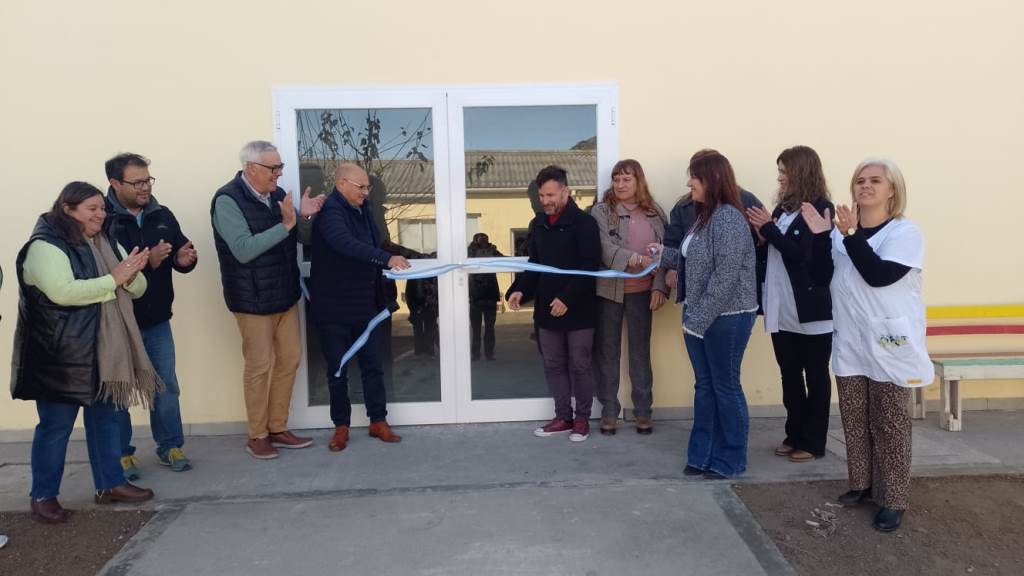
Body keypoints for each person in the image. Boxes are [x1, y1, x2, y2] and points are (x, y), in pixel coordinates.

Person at [11, 182, 159, 523]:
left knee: (106, 419)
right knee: (55, 427)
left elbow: (137, 287)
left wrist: (129, 275)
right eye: (92, 209)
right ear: (68, 209)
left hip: (103, 350)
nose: (101, 214)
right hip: (60, 355)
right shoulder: (45, 246)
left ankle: (110, 484)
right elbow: (63, 292)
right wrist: (115, 279)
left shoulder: (104, 240)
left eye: (102, 208)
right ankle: (43, 495)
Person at [801, 158, 932, 532]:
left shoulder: (905, 233)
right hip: (851, 339)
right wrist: (820, 236)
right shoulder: (841, 234)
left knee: (889, 422)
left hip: (889, 339)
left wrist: (850, 235)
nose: (865, 186)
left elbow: (878, 275)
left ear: (892, 190)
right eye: (859, 180)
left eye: (875, 180)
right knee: (855, 418)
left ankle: (893, 498)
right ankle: (862, 483)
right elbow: (819, 277)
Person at [211, 140, 324, 459]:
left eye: (280, 167)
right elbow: (244, 249)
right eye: (273, 168)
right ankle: (257, 435)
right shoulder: (227, 200)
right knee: (259, 367)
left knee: (290, 359)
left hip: (285, 294)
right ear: (251, 168)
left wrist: (304, 218)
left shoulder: (276, 195)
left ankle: (277, 428)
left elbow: (300, 238)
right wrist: (287, 224)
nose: (278, 174)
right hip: (252, 299)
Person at [653, 150, 758, 479]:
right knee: (705, 387)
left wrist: (697, 322)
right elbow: (696, 260)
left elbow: (725, 276)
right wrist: (662, 254)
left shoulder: (728, 218)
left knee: (725, 388)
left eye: (695, 178)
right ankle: (701, 456)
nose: (689, 183)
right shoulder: (704, 216)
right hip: (700, 316)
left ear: (712, 180)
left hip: (726, 317)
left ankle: (731, 459)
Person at [104, 153, 198, 476]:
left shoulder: (162, 215)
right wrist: (149, 261)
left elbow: (180, 250)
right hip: (118, 322)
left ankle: (170, 446)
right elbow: (107, 272)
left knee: (166, 386)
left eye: (148, 180)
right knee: (119, 390)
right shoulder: (103, 220)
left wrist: (184, 260)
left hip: (157, 320)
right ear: (115, 183)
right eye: (137, 182)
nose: (145, 187)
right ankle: (120, 455)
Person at [310, 162, 411, 452]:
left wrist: (402, 255)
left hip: (366, 305)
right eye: (361, 187)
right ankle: (341, 427)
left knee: (372, 366)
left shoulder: (363, 210)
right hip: (334, 306)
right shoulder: (330, 211)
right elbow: (345, 244)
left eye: (368, 187)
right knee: (338, 369)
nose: (366, 193)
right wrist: (385, 259)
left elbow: (376, 243)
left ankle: (378, 421)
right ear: (341, 184)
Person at [745, 146, 835, 462]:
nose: (780, 179)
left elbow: (802, 256)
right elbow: (775, 251)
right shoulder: (783, 210)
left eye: (784, 172)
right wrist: (762, 238)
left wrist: (769, 229)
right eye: (779, 172)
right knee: (789, 374)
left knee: (816, 375)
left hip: (810, 310)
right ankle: (793, 433)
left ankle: (813, 441)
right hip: (781, 306)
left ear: (801, 173)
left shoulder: (821, 208)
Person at [507, 165, 601, 442]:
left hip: (579, 310)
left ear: (565, 191)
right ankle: (563, 417)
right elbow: (535, 265)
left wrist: (567, 299)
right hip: (546, 310)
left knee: (580, 366)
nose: (545, 200)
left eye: (550, 195)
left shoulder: (584, 224)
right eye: (541, 195)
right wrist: (519, 290)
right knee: (553, 365)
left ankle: (581, 420)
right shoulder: (538, 224)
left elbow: (589, 266)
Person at [590, 159, 668, 435]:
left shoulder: (655, 212)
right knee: (607, 352)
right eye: (616, 179)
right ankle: (609, 412)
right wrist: (636, 259)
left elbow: (666, 253)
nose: (620, 184)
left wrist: (659, 287)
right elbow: (602, 247)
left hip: (643, 293)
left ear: (639, 181)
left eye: (627, 179)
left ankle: (643, 413)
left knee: (640, 353)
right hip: (609, 293)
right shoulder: (601, 211)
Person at [663, 150, 766, 301]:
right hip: (696, 291)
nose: (689, 183)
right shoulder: (683, 206)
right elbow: (674, 242)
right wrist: (671, 267)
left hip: (733, 297)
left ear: (714, 175)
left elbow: (759, 244)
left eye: (695, 176)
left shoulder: (744, 203)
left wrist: (765, 238)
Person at [468, 233, 502, 361]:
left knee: (489, 328)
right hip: (476, 296)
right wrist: (473, 248)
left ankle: (489, 353)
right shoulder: (470, 252)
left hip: (489, 296)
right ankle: (476, 353)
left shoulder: (492, 251)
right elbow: (464, 262)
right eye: (481, 240)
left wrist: (491, 250)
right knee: (476, 329)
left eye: (485, 240)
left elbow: (504, 260)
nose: (483, 242)